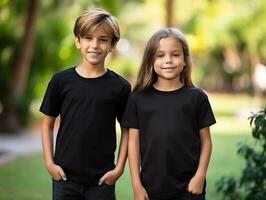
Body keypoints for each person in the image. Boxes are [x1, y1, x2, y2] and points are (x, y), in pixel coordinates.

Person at [40, 8, 131, 200]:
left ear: (112, 44)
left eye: (103, 39)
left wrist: (119, 168)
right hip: (64, 179)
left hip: (102, 181)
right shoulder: (60, 81)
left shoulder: (121, 87)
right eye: (88, 38)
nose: (95, 45)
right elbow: (47, 124)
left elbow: (127, 130)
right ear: (78, 41)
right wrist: (50, 163)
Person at [122, 28, 216, 200]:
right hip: (151, 190)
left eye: (175, 54)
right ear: (150, 60)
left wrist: (200, 176)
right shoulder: (137, 99)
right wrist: (137, 185)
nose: (168, 60)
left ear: (185, 60)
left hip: (189, 188)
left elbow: (206, 141)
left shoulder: (197, 97)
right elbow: (133, 144)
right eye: (160, 55)